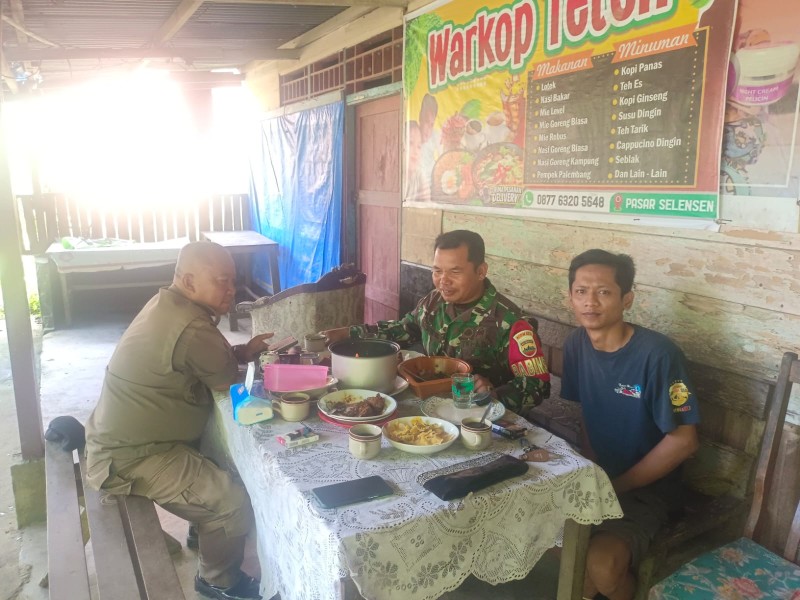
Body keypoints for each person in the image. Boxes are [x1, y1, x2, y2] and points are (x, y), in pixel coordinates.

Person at [84, 241, 273, 600]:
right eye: (222, 281)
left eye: (233, 280)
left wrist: (243, 352)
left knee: (220, 455)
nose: (231, 289)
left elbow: (201, 361)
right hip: (130, 457)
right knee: (230, 500)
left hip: (128, 439)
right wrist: (246, 363)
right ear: (189, 281)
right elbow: (226, 381)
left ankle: (203, 531)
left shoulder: (167, 304)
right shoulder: (190, 326)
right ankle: (218, 581)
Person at [560, 249, 700, 600]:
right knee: (541, 541)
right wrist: (592, 473)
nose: (590, 302)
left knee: (601, 564)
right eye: (581, 291)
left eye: (604, 292)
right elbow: (586, 414)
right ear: (570, 297)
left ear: (627, 299)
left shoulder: (658, 355)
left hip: (649, 490)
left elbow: (684, 441)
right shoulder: (577, 343)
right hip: (598, 479)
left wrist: (614, 486)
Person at [323, 230, 550, 414]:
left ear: (481, 271)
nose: (443, 281)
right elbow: (405, 330)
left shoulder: (512, 323)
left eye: (455, 272)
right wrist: (350, 334)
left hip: (481, 419)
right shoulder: (433, 301)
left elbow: (537, 385)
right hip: (430, 407)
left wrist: (495, 393)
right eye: (437, 271)